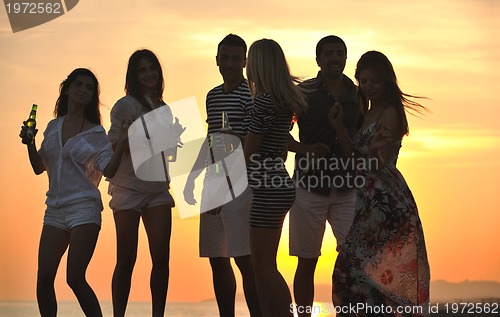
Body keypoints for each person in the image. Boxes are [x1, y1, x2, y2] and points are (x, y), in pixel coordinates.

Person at [20, 68, 129, 317]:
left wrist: (121, 142)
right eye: (78, 85)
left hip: (85, 208)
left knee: (75, 277)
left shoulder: (96, 133)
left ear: (93, 96)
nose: (83, 90)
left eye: (89, 88)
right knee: (44, 277)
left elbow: (109, 171)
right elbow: (39, 167)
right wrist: (30, 143)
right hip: (55, 210)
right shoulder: (53, 126)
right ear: (67, 88)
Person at [329, 50, 430, 314]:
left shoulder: (390, 112)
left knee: (363, 272)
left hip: (384, 202)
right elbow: (354, 157)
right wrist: (339, 126)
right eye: (363, 81)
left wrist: (374, 151)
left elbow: (380, 162)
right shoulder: (368, 113)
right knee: (352, 272)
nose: (369, 86)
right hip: (363, 200)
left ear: (386, 82)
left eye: (374, 81)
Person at [183, 34, 261, 317]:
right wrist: (193, 177)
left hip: (240, 183)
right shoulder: (212, 96)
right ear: (216, 60)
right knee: (216, 256)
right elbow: (211, 139)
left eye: (234, 58)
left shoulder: (251, 95)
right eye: (223, 58)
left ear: (244, 61)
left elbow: (253, 142)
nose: (228, 64)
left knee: (244, 257)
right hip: (212, 181)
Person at [287, 35, 362, 316]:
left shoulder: (357, 94)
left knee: (354, 259)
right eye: (328, 53)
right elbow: (278, 132)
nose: (334, 58)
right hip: (309, 187)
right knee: (307, 262)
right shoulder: (303, 92)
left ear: (345, 57)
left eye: (340, 53)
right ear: (318, 59)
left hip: (347, 189)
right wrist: (303, 148)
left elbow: (363, 137)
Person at [107, 49, 183, 317]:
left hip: (157, 188)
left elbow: (167, 154)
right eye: (142, 70)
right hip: (128, 188)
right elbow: (114, 145)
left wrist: (174, 140)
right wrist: (135, 137)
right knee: (126, 258)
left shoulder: (164, 108)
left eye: (152, 68)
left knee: (161, 257)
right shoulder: (125, 105)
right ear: (134, 76)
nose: (149, 73)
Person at [244, 38, 308, 317]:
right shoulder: (281, 101)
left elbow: (250, 150)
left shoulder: (264, 102)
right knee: (262, 265)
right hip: (278, 184)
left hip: (269, 187)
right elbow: (279, 143)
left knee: (263, 266)